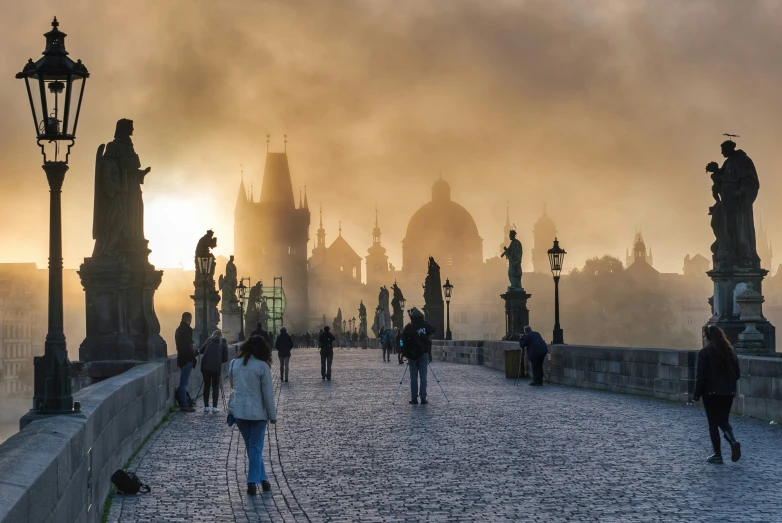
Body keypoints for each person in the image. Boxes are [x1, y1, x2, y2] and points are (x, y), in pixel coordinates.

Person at [228, 335, 277, 495]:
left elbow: (231, 384)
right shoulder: (262, 366)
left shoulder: (234, 363)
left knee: (252, 447)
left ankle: (264, 479)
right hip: (257, 413)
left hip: (239, 412)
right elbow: (268, 394)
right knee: (255, 447)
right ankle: (252, 481)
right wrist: (272, 415)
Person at [693, 325, 742, 464]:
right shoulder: (731, 352)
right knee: (723, 420)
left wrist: (696, 395)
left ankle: (718, 454)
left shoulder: (705, 353)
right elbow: (737, 374)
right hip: (728, 392)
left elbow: (701, 377)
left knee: (713, 423)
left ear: (708, 337)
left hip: (711, 393)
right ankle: (732, 440)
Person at [401, 308, 434, 405]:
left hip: (411, 355)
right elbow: (433, 330)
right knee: (423, 377)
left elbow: (402, 339)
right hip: (423, 353)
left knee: (413, 378)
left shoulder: (408, 327)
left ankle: (414, 399)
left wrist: (404, 351)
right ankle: (423, 398)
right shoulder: (425, 325)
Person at [199, 330, 228, 412]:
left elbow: (201, 351)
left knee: (206, 386)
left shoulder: (209, 340)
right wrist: (218, 360)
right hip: (216, 367)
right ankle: (215, 407)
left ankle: (206, 407)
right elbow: (225, 358)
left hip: (205, 366)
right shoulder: (223, 342)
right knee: (215, 386)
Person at [175, 312, 197, 412]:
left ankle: (182, 400)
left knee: (183, 382)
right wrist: (193, 355)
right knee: (184, 383)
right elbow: (187, 347)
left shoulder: (179, 329)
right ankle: (183, 404)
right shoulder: (186, 330)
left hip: (181, 359)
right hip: (186, 359)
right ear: (189, 319)